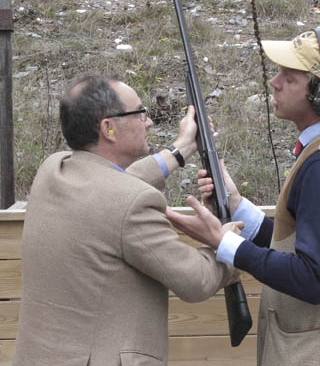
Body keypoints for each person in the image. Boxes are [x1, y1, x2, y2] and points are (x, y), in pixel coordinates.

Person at [167, 27, 320, 366]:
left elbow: (311, 278)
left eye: (289, 76)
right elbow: (304, 245)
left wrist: (225, 244)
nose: (275, 82)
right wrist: (238, 206)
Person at [14, 74, 241, 366]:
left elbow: (110, 187)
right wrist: (228, 244)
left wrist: (182, 148)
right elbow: (195, 280)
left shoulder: (53, 170)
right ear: (108, 128)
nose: (148, 122)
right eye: (139, 113)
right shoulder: (131, 205)